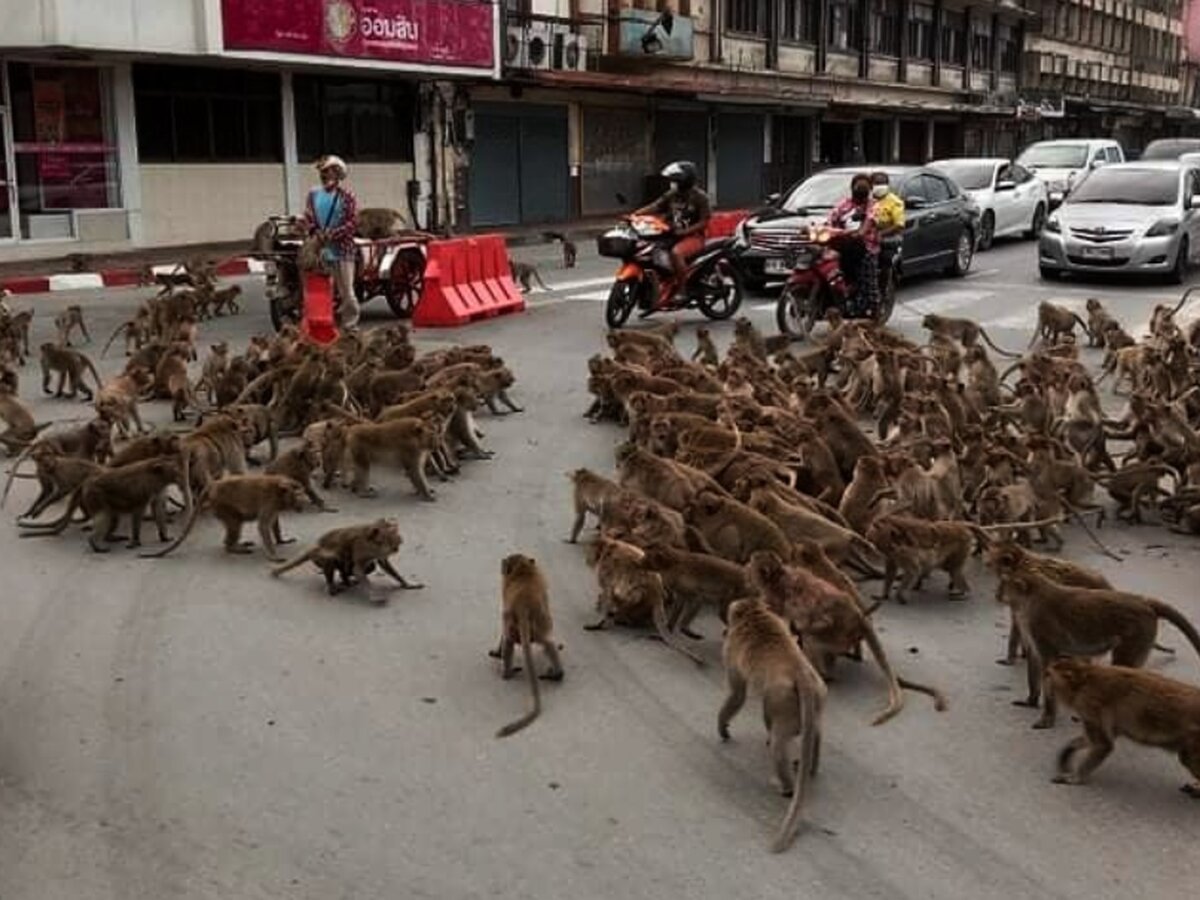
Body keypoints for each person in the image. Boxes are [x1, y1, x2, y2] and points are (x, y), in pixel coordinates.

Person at [635, 160, 712, 306]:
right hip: (673, 234)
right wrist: (635, 215)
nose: (672, 183)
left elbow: (704, 222)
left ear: (685, 181)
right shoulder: (672, 194)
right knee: (651, 250)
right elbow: (656, 206)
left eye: (675, 180)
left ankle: (682, 290)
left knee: (676, 253)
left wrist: (685, 231)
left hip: (694, 237)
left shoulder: (700, 197)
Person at [304, 155, 360, 329]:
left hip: (343, 250)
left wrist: (334, 234)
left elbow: (352, 222)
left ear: (338, 173)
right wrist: (314, 231)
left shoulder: (347, 196)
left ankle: (350, 324)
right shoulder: (313, 195)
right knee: (320, 288)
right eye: (322, 172)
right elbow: (308, 217)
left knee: (346, 291)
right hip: (320, 248)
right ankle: (322, 321)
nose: (324, 175)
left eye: (328, 171)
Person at [828, 172, 880, 317]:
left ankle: (872, 311)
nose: (860, 191)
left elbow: (870, 220)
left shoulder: (873, 205)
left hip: (866, 246)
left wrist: (860, 232)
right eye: (858, 187)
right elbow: (831, 219)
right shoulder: (844, 204)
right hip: (844, 244)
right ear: (852, 188)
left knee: (868, 280)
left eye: (864, 188)